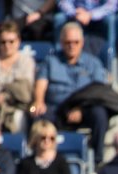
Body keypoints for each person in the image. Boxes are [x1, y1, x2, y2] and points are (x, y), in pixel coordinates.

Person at [31, 22, 110, 163]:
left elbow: (98, 91)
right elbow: (41, 83)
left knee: (100, 114)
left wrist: (80, 109)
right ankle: (37, 158)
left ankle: (97, 158)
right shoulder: (51, 61)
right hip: (56, 109)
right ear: (61, 43)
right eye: (67, 42)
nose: (71, 46)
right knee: (36, 114)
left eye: (76, 42)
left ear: (82, 42)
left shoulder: (93, 63)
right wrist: (39, 101)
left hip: (84, 108)